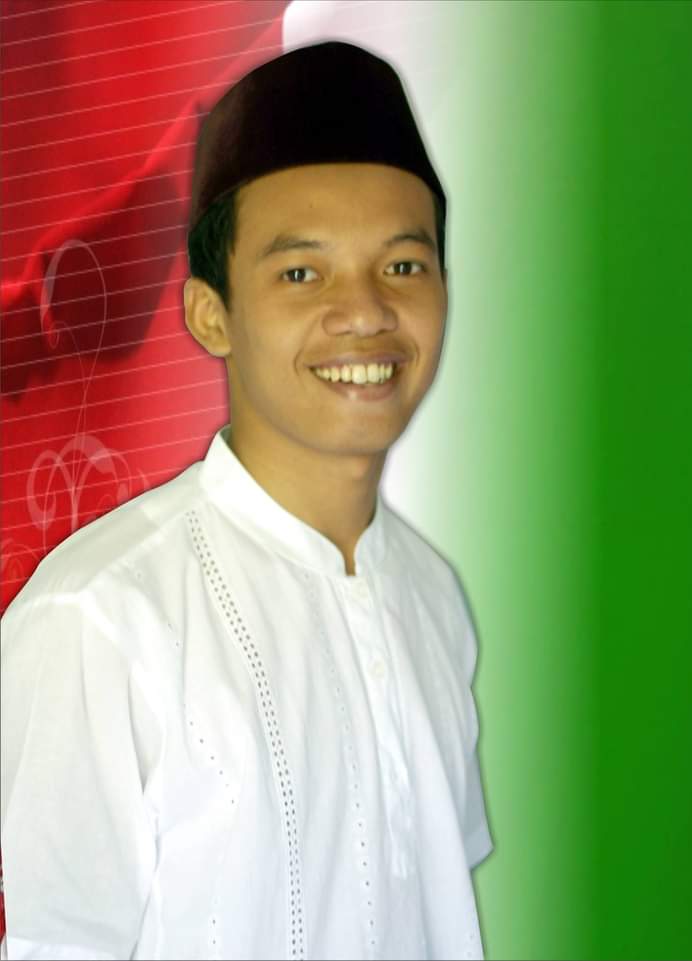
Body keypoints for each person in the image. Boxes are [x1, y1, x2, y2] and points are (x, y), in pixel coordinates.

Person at [1, 41, 493, 961]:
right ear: (210, 313)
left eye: (403, 265)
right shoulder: (99, 619)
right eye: (301, 273)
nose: (365, 312)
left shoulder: (435, 598)